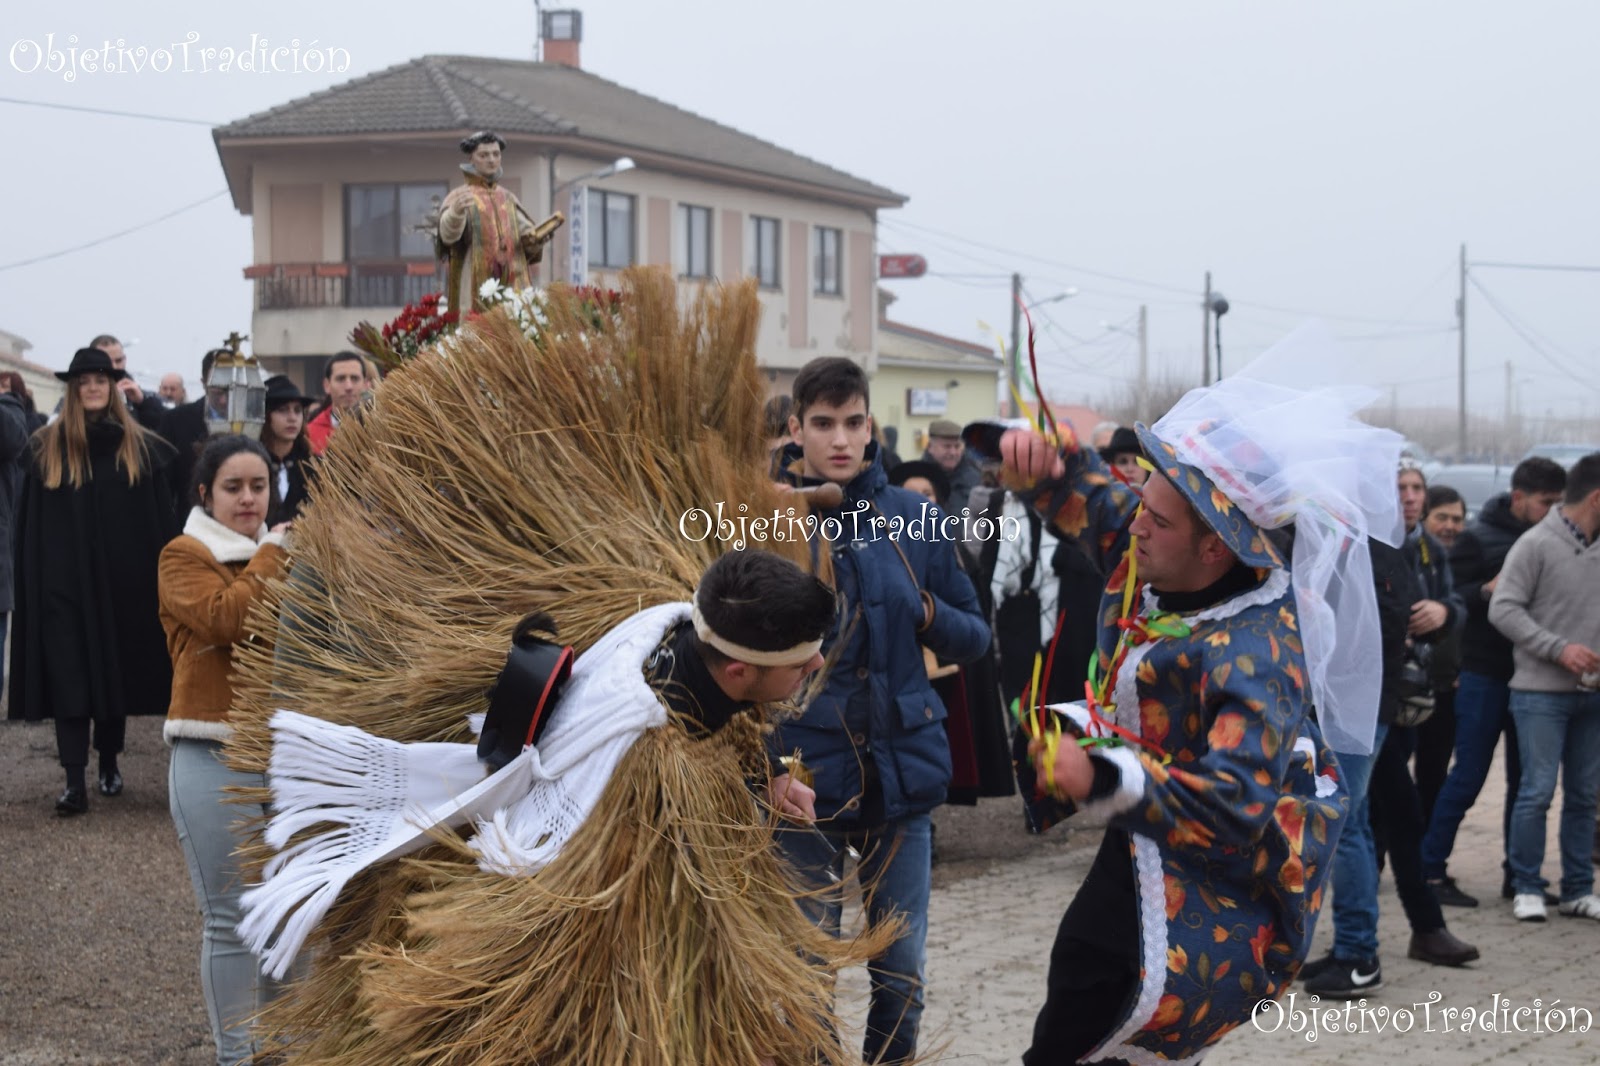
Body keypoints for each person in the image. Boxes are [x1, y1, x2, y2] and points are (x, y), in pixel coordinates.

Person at [238, 549, 868, 1064]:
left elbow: (727, 723)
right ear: (736, 672)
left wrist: (765, 781)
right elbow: (587, 900)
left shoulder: (680, 625)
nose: (818, 662)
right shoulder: (640, 763)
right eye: (800, 662)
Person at [995, 364, 1400, 1064]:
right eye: (1141, 505)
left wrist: (1101, 775)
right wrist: (1042, 465)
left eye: (1155, 518)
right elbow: (1091, 502)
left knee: (1101, 1018)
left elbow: (1236, 804)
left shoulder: (1257, 652)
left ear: (1217, 545)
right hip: (1142, 853)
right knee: (1086, 997)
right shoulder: (1166, 548)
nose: (1136, 527)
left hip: (1214, 893)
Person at [772, 357, 990, 1065]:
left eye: (854, 422)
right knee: (804, 978)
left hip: (901, 772)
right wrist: (768, 765)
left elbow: (976, 632)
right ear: (796, 429)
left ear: (872, 428)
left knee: (902, 974)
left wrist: (925, 609)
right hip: (803, 778)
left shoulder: (915, 519)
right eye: (824, 423)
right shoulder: (764, 518)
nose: (840, 438)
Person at [1303, 460, 1475, 999]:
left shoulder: (1372, 551)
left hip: (1360, 707)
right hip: (1358, 706)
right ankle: (1365, 943)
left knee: (1348, 825)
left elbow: (1382, 630)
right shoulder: (1369, 546)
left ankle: (1358, 955)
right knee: (1361, 821)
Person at [159, 436, 292, 1064]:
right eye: (233, 487)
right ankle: (238, 1056)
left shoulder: (287, 553)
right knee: (232, 918)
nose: (247, 498)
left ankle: (283, 1050)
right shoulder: (183, 555)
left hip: (290, 756)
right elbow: (227, 620)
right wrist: (272, 553)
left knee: (294, 915)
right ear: (205, 493)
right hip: (210, 751)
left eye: (258, 486)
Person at [8, 347, 176, 814]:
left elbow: (159, 523)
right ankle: (73, 779)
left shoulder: (139, 448)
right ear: (74, 389)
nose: (94, 387)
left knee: (113, 668)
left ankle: (108, 761)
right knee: (70, 675)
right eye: (84, 381)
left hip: (124, 582)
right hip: (63, 584)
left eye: (101, 378)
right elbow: (30, 526)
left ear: (113, 385)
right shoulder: (47, 449)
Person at [1420, 456, 1567, 907]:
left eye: (1560, 504)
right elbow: (1450, 602)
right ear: (1520, 498)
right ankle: (1429, 870)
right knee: (1468, 776)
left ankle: (1518, 874)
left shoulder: (1553, 540)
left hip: (1534, 679)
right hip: (1484, 675)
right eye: (1547, 503)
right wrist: (1488, 589)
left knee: (1527, 784)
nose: (1553, 512)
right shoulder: (1478, 540)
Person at [1491, 452, 1600, 922]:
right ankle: (1527, 885)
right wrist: (1560, 649)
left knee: (1584, 795)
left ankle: (1578, 888)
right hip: (1539, 693)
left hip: (1592, 696)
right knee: (1536, 791)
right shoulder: (1535, 544)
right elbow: (1504, 609)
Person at [437, 130, 561, 314]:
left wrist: (537, 239)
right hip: (473, 284)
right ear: (471, 158)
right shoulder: (459, 197)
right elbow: (447, 236)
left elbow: (526, 238)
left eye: (496, 154)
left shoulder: (508, 198)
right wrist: (455, 213)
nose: (491, 160)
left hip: (513, 284)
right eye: (484, 155)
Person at [259, 375, 315, 525]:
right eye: (283, 410)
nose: (292, 418)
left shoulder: (313, 467)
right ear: (265, 415)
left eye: (297, 411)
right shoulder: (252, 462)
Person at [305, 351, 367, 455]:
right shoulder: (309, 435)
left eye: (355, 378)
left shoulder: (382, 429)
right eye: (341, 379)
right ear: (327, 385)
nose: (348, 387)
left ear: (365, 384)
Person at [921, 417, 983, 509]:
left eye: (957, 446)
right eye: (947, 447)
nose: (953, 452)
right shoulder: (918, 478)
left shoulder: (975, 478)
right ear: (930, 447)